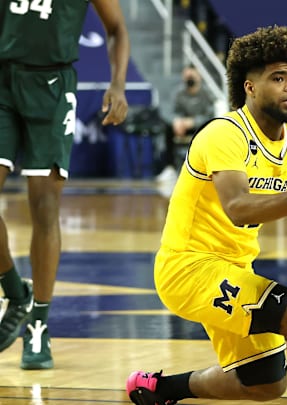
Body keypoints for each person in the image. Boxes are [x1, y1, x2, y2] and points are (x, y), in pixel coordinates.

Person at [126, 26, 287, 405]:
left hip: (235, 271)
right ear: (249, 87)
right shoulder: (224, 134)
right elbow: (238, 208)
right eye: (278, 77)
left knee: (265, 383)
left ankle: (161, 390)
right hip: (188, 268)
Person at [0, 0, 129, 370]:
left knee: (43, 205)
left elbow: (117, 28)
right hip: (2, 81)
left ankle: (38, 322)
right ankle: (14, 291)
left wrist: (117, 85)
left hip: (53, 86)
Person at [156, 65, 215, 182]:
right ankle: (170, 168)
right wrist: (177, 121)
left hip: (200, 127)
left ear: (199, 77)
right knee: (168, 129)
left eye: (192, 76)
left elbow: (211, 115)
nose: (190, 79)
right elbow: (169, 111)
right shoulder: (178, 93)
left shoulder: (207, 94)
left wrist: (193, 122)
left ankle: (209, 167)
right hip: (181, 127)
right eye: (187, 76)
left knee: (213, 129)